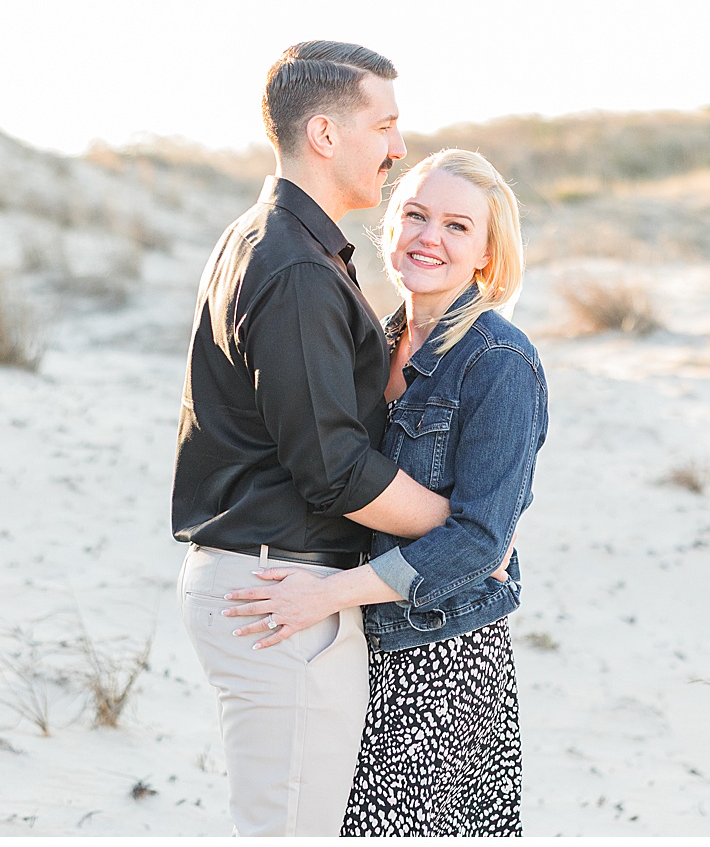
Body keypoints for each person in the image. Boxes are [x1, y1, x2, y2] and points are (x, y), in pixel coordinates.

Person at [172, 41, 453, 837]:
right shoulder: (295, 265)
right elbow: (333, 467)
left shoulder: (271, 240)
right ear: (325, 134)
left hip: (274, 583)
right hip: (280, 592)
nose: (399, 147)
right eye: (385, 125)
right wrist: (462, 529)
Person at [223, 148, 548, 836]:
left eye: (458, 226)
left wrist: (327, 595)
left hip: (442, 661)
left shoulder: (500, 362)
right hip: (359, 645)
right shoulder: (372, 343)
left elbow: (481, 540)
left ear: (488, 254)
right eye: (416, 215)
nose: (430, 237)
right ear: (390, 228)